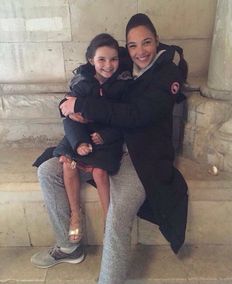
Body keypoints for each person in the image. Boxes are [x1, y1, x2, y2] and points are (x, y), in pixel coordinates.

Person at [31, 13, 188, 284]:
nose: (140, 51)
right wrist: (67, 103)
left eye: (147, 43)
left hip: (142, 158)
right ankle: (69, 246)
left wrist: (82, 107)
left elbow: (137, 115)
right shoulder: (123, 60)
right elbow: (87, 74)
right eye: (133, 45)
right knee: (48, 171)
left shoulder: (168, 74)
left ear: (157, 41)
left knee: (117, 211)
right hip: (105, 145)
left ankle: (109, 279)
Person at [53, 33, 131, 244]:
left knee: (100, 172)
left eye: (113, 59)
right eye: (101, 60)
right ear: (91, 60)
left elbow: (125, 119)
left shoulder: (123, 83)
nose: (108, 65)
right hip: (81, 134)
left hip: (106, 137)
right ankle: (75, 215)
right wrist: (78, 141)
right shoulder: (82, 82)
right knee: (68, 165)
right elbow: (67, 113)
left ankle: (109, 219)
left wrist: (106, 136)